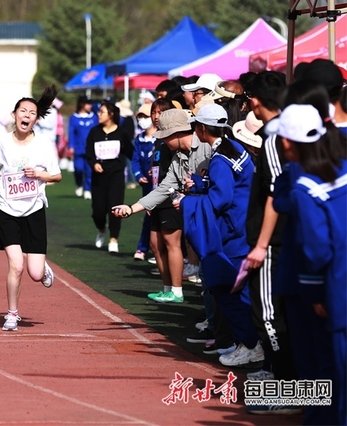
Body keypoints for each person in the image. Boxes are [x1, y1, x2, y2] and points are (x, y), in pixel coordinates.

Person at [273, 104, 346, 424]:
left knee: (328, 370)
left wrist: (316, 295)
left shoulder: (305, 188)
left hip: (337, 287)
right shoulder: (342, 169)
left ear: (288, 142)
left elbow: (316, 249)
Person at [179, 104, 263, 368]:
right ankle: (251, 344)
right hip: (245, 227)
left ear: (202, 129)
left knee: (225, 289)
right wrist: (203, 184)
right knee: (242, 292)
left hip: (233, 234)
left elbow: (221, 199)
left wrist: (186, 202)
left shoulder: (219, 159)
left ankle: (251, 345)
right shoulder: (236, 149)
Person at [0, 85, 62, 332]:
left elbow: (56, 176)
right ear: (14, 115)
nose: (27, 115)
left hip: (34, 210)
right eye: (23, 111)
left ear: (36, 119)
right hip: (7, 210)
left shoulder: (44, 144)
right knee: (16, 265)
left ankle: (43, 266)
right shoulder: (2, 142)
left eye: (32, 113)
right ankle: (12, 314)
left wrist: (39, 174)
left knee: (35, 274)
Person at [112, 108, 212, 304]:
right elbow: (164, 188)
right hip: (201, 215)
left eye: (165, 137)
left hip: (217, 216)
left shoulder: (208, 148)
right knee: (207, 274)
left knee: (213, 270)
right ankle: (211, 319)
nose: (163, 142)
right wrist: (131, 209)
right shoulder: (178, 158)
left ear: (174, 133)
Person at [242, 71, 297, 386]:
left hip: (274, 242)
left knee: (268, 314)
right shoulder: (284, 134)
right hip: (281, 239)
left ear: (255, 101)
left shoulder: (276, 136)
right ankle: (282, 373)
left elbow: (277, 192)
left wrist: (261, 244)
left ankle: (285, 381)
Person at [86, 100, 134, 253]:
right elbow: (88, 153)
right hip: (98, 177)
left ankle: (114, 238)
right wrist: (94, 163)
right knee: (98, 211)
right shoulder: (94, 132)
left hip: (116, 176)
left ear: (111, 114)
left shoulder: (121, 133)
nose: (98, 115)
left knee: (115, 207)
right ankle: (101, 229)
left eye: (102, 112)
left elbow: (131, 152)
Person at [130, 102, 156, 261]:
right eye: (140, 117)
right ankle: (143, 248)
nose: (142, 120)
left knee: (154, 217)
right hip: (146, 184)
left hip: (158, 184)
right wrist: (139, 175)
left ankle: (148, 248)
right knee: (148, 215)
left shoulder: (158, 138)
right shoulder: (139, 139)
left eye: (145, 117)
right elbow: (135, 160)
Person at [67, 95, 97, 200]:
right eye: (87, 103)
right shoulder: (74, 118)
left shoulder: (94, 117)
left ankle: (88, 189)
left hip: (91, 149)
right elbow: (71, 132)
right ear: (81, 104)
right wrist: (71, 146)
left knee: (89, 170)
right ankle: (79, 184)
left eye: (90, 103)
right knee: (78, 168)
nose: (90, 105)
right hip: (78, 148)